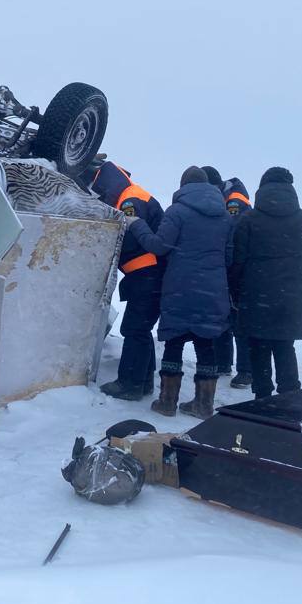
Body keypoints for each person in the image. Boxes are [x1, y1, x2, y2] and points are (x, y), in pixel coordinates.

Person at [126, 166, 232, 417]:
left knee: (174, 342)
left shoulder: (177, 212)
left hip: (180, 287)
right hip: (212, 290)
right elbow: (229, 257)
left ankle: (167, 402)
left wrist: (137, 224)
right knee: (206, 344)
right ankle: (203, 405)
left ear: (183, 186)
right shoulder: (226, 217)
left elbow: (158, 246)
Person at [229, 167, 302, 399]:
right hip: (293, 301)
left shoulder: (248, 220)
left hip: (255, 299)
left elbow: (236, 262)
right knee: (285, 347)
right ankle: (290, 400)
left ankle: (263, 402)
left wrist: (235, 295)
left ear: (261, 189)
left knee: (259, 349)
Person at [91, 161, 165, 400]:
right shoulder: (133, 193)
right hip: (150, 275)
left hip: (146, 275)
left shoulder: (129, 201)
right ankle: (144, 382)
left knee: (134, 329)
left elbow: (133, 239)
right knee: (141, 329)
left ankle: (129, 383)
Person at [217, 175, 253, 388]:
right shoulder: (228, 197)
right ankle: (222, 363)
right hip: (231, 267)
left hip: (239, 269)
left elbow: (232, 234)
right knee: (224, 316)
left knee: (239, 321)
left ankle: (245, 370)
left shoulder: (234, 202)